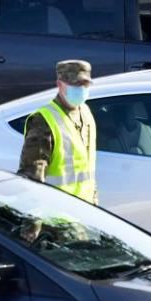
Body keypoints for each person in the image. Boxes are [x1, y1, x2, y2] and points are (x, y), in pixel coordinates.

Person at [18, 60, 98, 204]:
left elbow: (87, 171)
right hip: (55, 219)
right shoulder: (43, 121)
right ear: (60, 85)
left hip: (84, 215)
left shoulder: (86, 113)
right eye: (76, 85)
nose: (81, 89)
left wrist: (94, 204)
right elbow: (31, 180)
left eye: (84, 85)